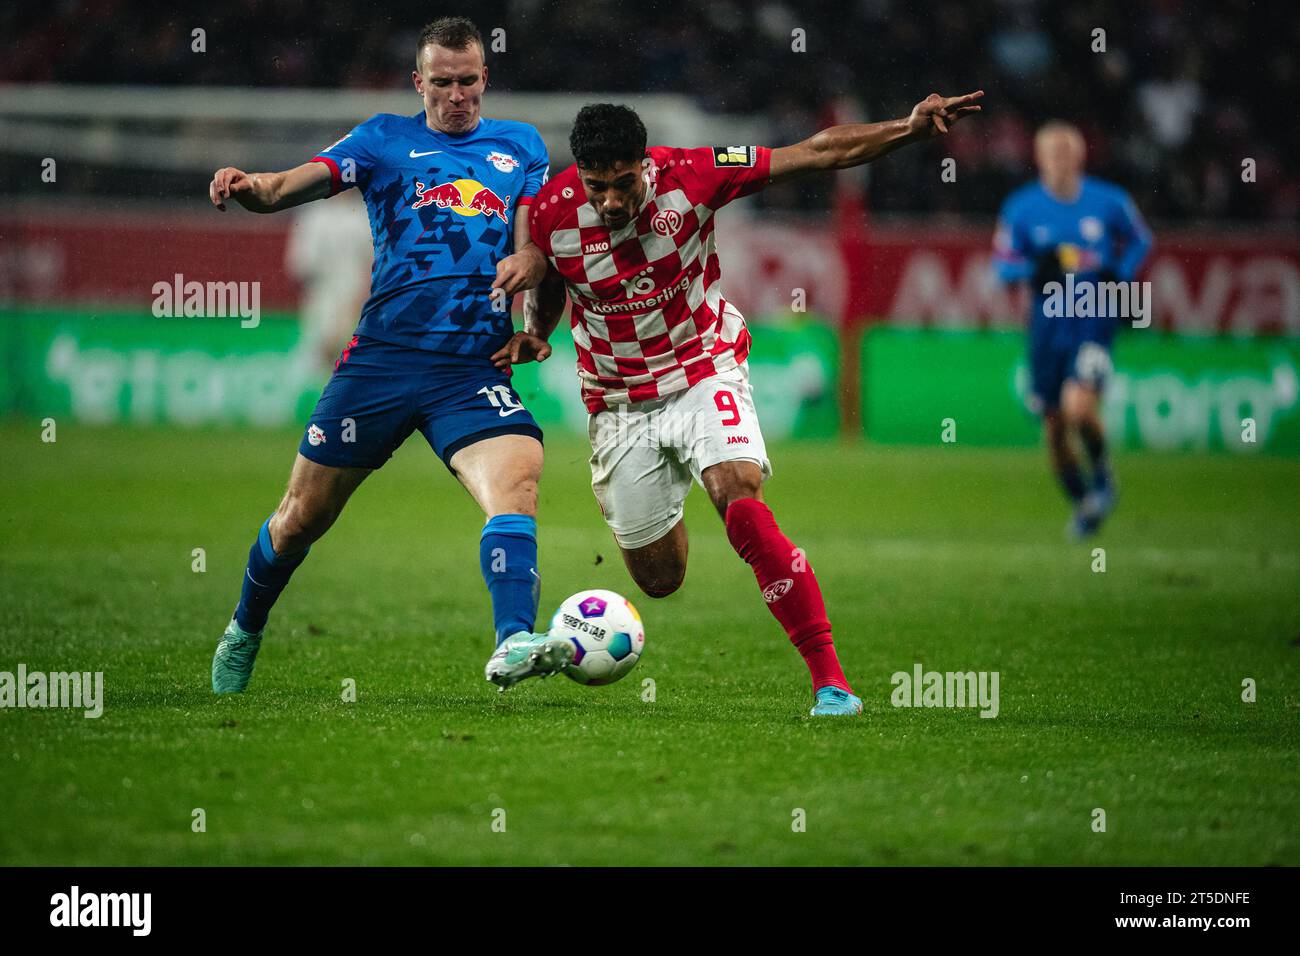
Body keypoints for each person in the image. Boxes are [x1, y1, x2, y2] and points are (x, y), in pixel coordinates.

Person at [510, 91, 984, 715]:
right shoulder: (550, 209)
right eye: (599, 186)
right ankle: (617, 576)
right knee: (659, 579)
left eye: (625, 183)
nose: (613, 201)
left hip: (704, 366)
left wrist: (909, 129)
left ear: (645, 163)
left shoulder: (696, 173)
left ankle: (831, 683)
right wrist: (537, 332)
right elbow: (550, 283)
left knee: (740, 500)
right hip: (619, 401)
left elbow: (816, 152)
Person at [206, 16, 571, 694]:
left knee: (518, 479)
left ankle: (514, 638)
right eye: (443, 84)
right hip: (383, 360)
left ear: (484, 79)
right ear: (418, 82)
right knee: (298, 520)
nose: (457, 96)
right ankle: (244, 628)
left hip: (472, 365)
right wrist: (249, 185)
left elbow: (531, 240)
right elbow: (291, 185)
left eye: (469, 83)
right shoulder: (381, 139)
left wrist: (529, 289)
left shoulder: (519, 146)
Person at [993, 122, 1154, 537]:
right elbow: (1004, 265)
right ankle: (1085, 502)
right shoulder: (1021, 208)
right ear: (1039, 158)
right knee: (1053, 429)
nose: (1060, 161)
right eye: (1053, 154)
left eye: (1068, 153)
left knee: (1079, 408)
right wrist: (1033, 268)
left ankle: (1103, 477)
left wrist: (1120, 275)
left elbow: (1140, 240)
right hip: (1047, 328)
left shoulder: (1109, 201)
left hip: (1094, 319)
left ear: (1080, 157)